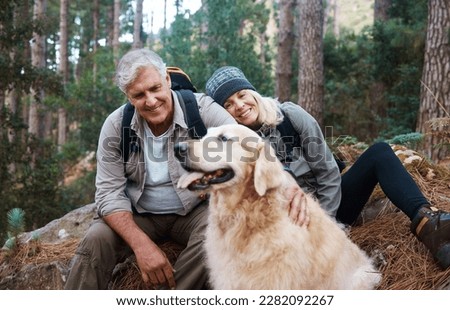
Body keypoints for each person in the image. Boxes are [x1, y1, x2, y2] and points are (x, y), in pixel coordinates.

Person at [64, 49, 307, 290]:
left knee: (220, 232)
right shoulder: (116, 126)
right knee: (96, 238)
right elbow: (108, 194)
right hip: (140, 213)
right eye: (139, 95)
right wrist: (142, 246)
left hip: (193, 211)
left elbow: (248, 146)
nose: (150, 100)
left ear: (167, 80)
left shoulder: (201, 110)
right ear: (128, 96)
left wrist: (287, 179)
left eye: (155, 88)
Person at [205, 66, 450, 269]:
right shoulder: (235, 149)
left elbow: (327, 171)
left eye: (241, 94)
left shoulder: (289, 116)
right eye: (228, 104)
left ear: (253, 93)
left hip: (332, 205)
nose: (239, 105)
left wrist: (330, 223)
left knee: (380, 153)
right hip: (292, 225)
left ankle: (428, 223)